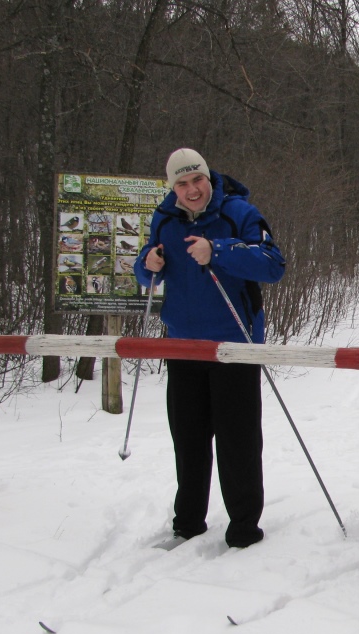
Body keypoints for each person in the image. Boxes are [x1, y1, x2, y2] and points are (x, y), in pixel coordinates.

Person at [134, 148, 285, 548]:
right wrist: (146, 264)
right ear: (173, 187)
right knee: (188, 438)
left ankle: (244, 529)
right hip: (183, 344)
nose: (191, 190)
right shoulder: (164, 217)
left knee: (238, 442)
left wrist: (217, 251)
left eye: (196, 180)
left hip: (235, 344)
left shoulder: (238, 213)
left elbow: (273, 264)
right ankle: (187, 523)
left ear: (208, 178)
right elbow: (146, 268)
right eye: (181, 184)